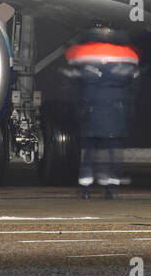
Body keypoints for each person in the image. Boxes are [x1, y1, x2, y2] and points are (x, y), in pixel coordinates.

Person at [60, 26, 140, 199]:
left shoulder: (82, 54)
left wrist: (77, 107)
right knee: (113, 153)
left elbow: (73, 84)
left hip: (91, 110)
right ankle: (111, 188)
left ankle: (86, 189)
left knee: (88, 152)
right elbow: (133, 86)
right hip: (116, 111)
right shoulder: (128, 56)